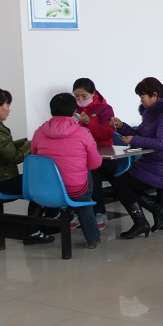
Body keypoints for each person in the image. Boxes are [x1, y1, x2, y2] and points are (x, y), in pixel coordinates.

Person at [0, 89, 54, 245]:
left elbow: (2, 148)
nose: (9, 110)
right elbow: (15, 157)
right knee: (42, 182)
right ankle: (34, 230)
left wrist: (23, 142)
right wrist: (32, 144)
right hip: (1, 182)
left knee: (38, 181)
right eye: (7, 105)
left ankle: (41, 225)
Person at [110, 77, 163, 239]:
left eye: (142, 96)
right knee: (121, 182)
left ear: (154, 96)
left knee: (121, 183)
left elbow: (162, 143)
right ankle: (155, 210)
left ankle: (142, 221)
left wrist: (134, 140)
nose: (141, 100)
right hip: (152, 164)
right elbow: (140, 134)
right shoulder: (152, 114)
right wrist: (122, 126)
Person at [31, 93, 103, 249]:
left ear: (51, 111)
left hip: (45, 189)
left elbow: (34, 157)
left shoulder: (39, 132)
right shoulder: (83, 133)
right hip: (75, 190)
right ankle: (92, 238)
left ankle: (36, 230)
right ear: (74, 112)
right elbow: (95, 163)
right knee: (84, 185)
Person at [71, 78, 116, 231]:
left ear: (93, 93)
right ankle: (78, 212)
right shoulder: (73, 110)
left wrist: (89, 122)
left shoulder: (105, 109)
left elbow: (107, 134)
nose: (80, 99)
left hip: (103, 156)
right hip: (80, 155)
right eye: (76, 96)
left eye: (83, 96)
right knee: (69, 174)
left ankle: (100, 212)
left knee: (92, 175)